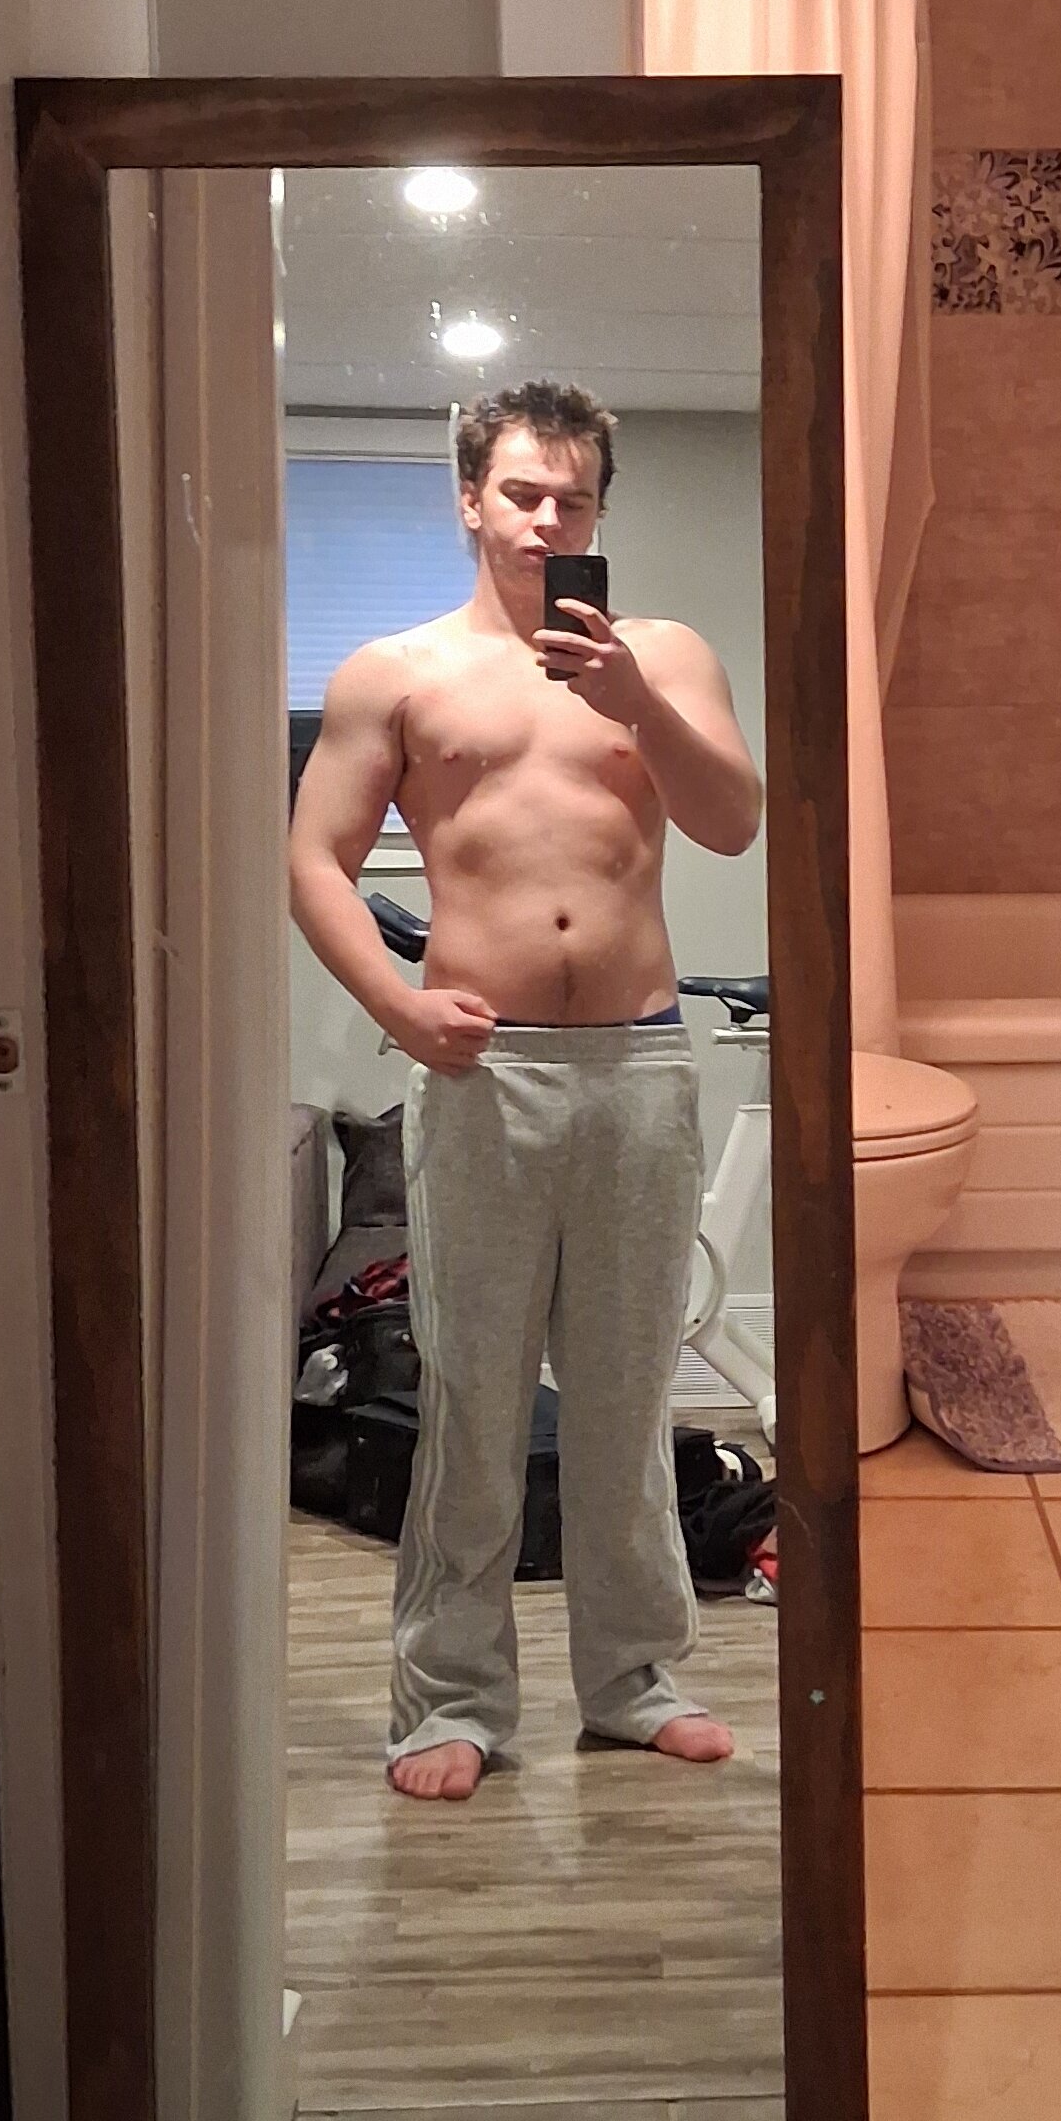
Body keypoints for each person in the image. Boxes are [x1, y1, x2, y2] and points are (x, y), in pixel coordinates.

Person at [288, 378, 764, 1802]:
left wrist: (635, 705)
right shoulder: (397, 673)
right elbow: (314, 858)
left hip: (637, 1066)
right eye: (522, 493)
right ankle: (450, 1700)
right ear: (469, 499)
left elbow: (732, 822)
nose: (549, 519)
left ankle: (635, 1681)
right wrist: (395, 1004)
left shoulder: (663, 655)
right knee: (474, 1400)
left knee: (626, 1396)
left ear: (601, 510)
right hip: (483, 1072)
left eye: (575, 497)